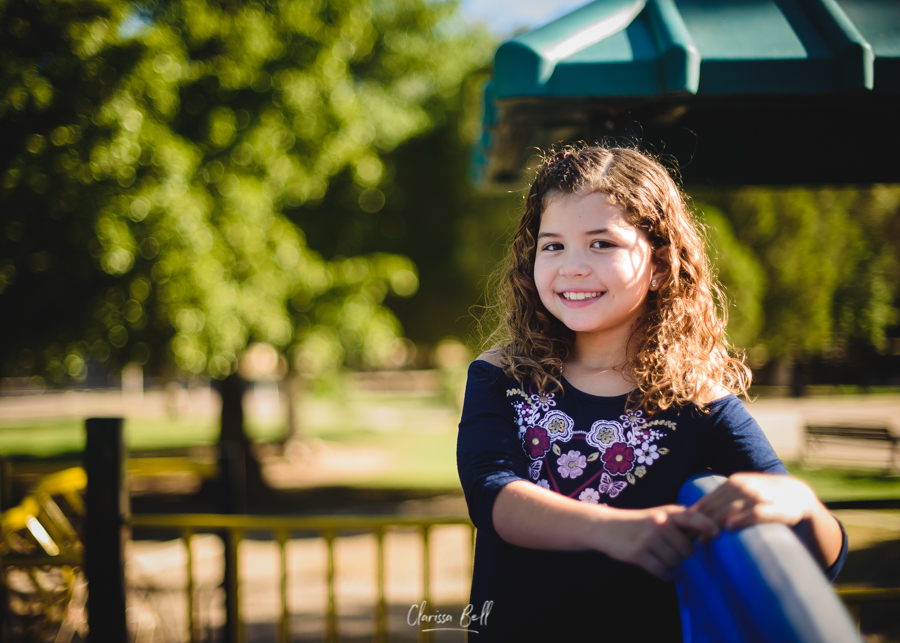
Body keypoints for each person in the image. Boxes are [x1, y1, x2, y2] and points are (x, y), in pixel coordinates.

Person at [456, 145, 846, 640]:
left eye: (602, 244)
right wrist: (612, 530)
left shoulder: (697, 401)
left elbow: (825, 556)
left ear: (660, 265)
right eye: (552, 246)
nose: (572, 266)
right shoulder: (499, 375)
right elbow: (494, 497)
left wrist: (801, 503)